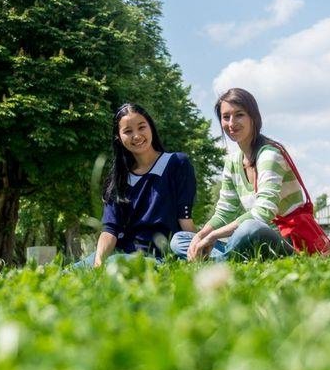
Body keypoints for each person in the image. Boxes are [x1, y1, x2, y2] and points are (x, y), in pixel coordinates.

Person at [172, 88, 302, 262]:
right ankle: (224, 259)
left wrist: (213, 236)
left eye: (239, 115)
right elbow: (224, 212)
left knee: (250, 228)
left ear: (253, 118)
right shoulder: (233, 162)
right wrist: (201, 235)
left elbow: (264, 212)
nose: (231, 123)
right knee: (180, 239)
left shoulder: (270, 155)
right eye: (226, 117)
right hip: (245, 241)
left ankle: (218, 261)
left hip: (282, 240)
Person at [78, 103, 196, 267]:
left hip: (160, 257)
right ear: (119, 138)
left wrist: (195, 254)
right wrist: (98, 263)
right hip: (122, 252)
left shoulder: (177, 163)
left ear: (151, 128)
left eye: (142, 127)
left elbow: (185, 218)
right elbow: (110, 230)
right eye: (128, 131)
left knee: (114, 263)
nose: (137, 135)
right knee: (65, 275)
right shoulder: (118, 179)